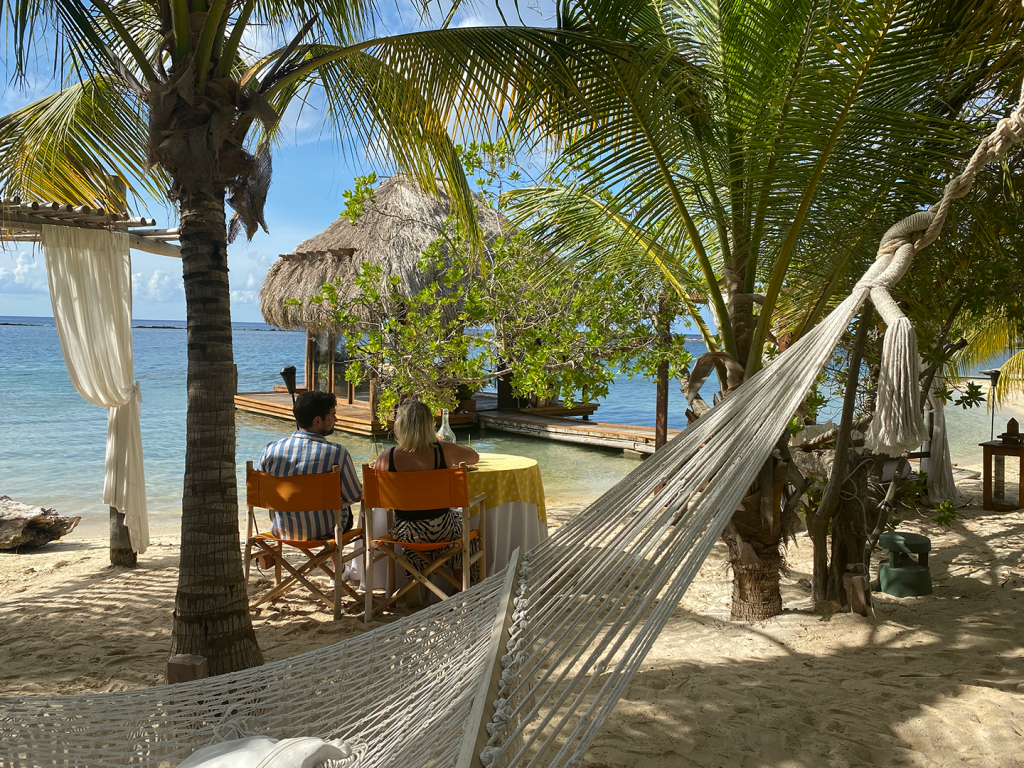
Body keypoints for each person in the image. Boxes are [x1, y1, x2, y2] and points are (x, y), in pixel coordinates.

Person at [373, 400, 480, 580]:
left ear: (400, 426)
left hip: (406, 532)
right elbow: (474, 457)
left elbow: (376, 489)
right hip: (444, 529)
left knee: (415, 531)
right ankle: (460, 587)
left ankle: (416, 586)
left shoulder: (387, 456)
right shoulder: (444, 450)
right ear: (429, 425)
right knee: (467, 532)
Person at [258, 390, 362, 541]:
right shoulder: (337, 453)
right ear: (318, 421)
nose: (336, 419)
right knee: (342, 509)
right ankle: (337, 565)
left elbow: (262, 493)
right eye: (333, 415)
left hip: (282, 532)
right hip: (326, 532)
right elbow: (355, 495)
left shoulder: (270, 449)